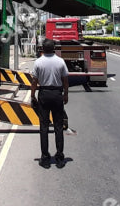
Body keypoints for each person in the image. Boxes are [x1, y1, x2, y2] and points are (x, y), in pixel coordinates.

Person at [30, 38, 69, 168]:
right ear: (54, 48)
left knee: (44, 127)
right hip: (57, 94)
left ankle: (45, 158)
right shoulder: (60, 61)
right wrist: (66, 94)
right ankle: (59, 157)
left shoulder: (38, 62)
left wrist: (32, 96)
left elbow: (34, 81)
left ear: (42, 48)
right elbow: (65, 80)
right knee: (58, 127)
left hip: (44, 94)